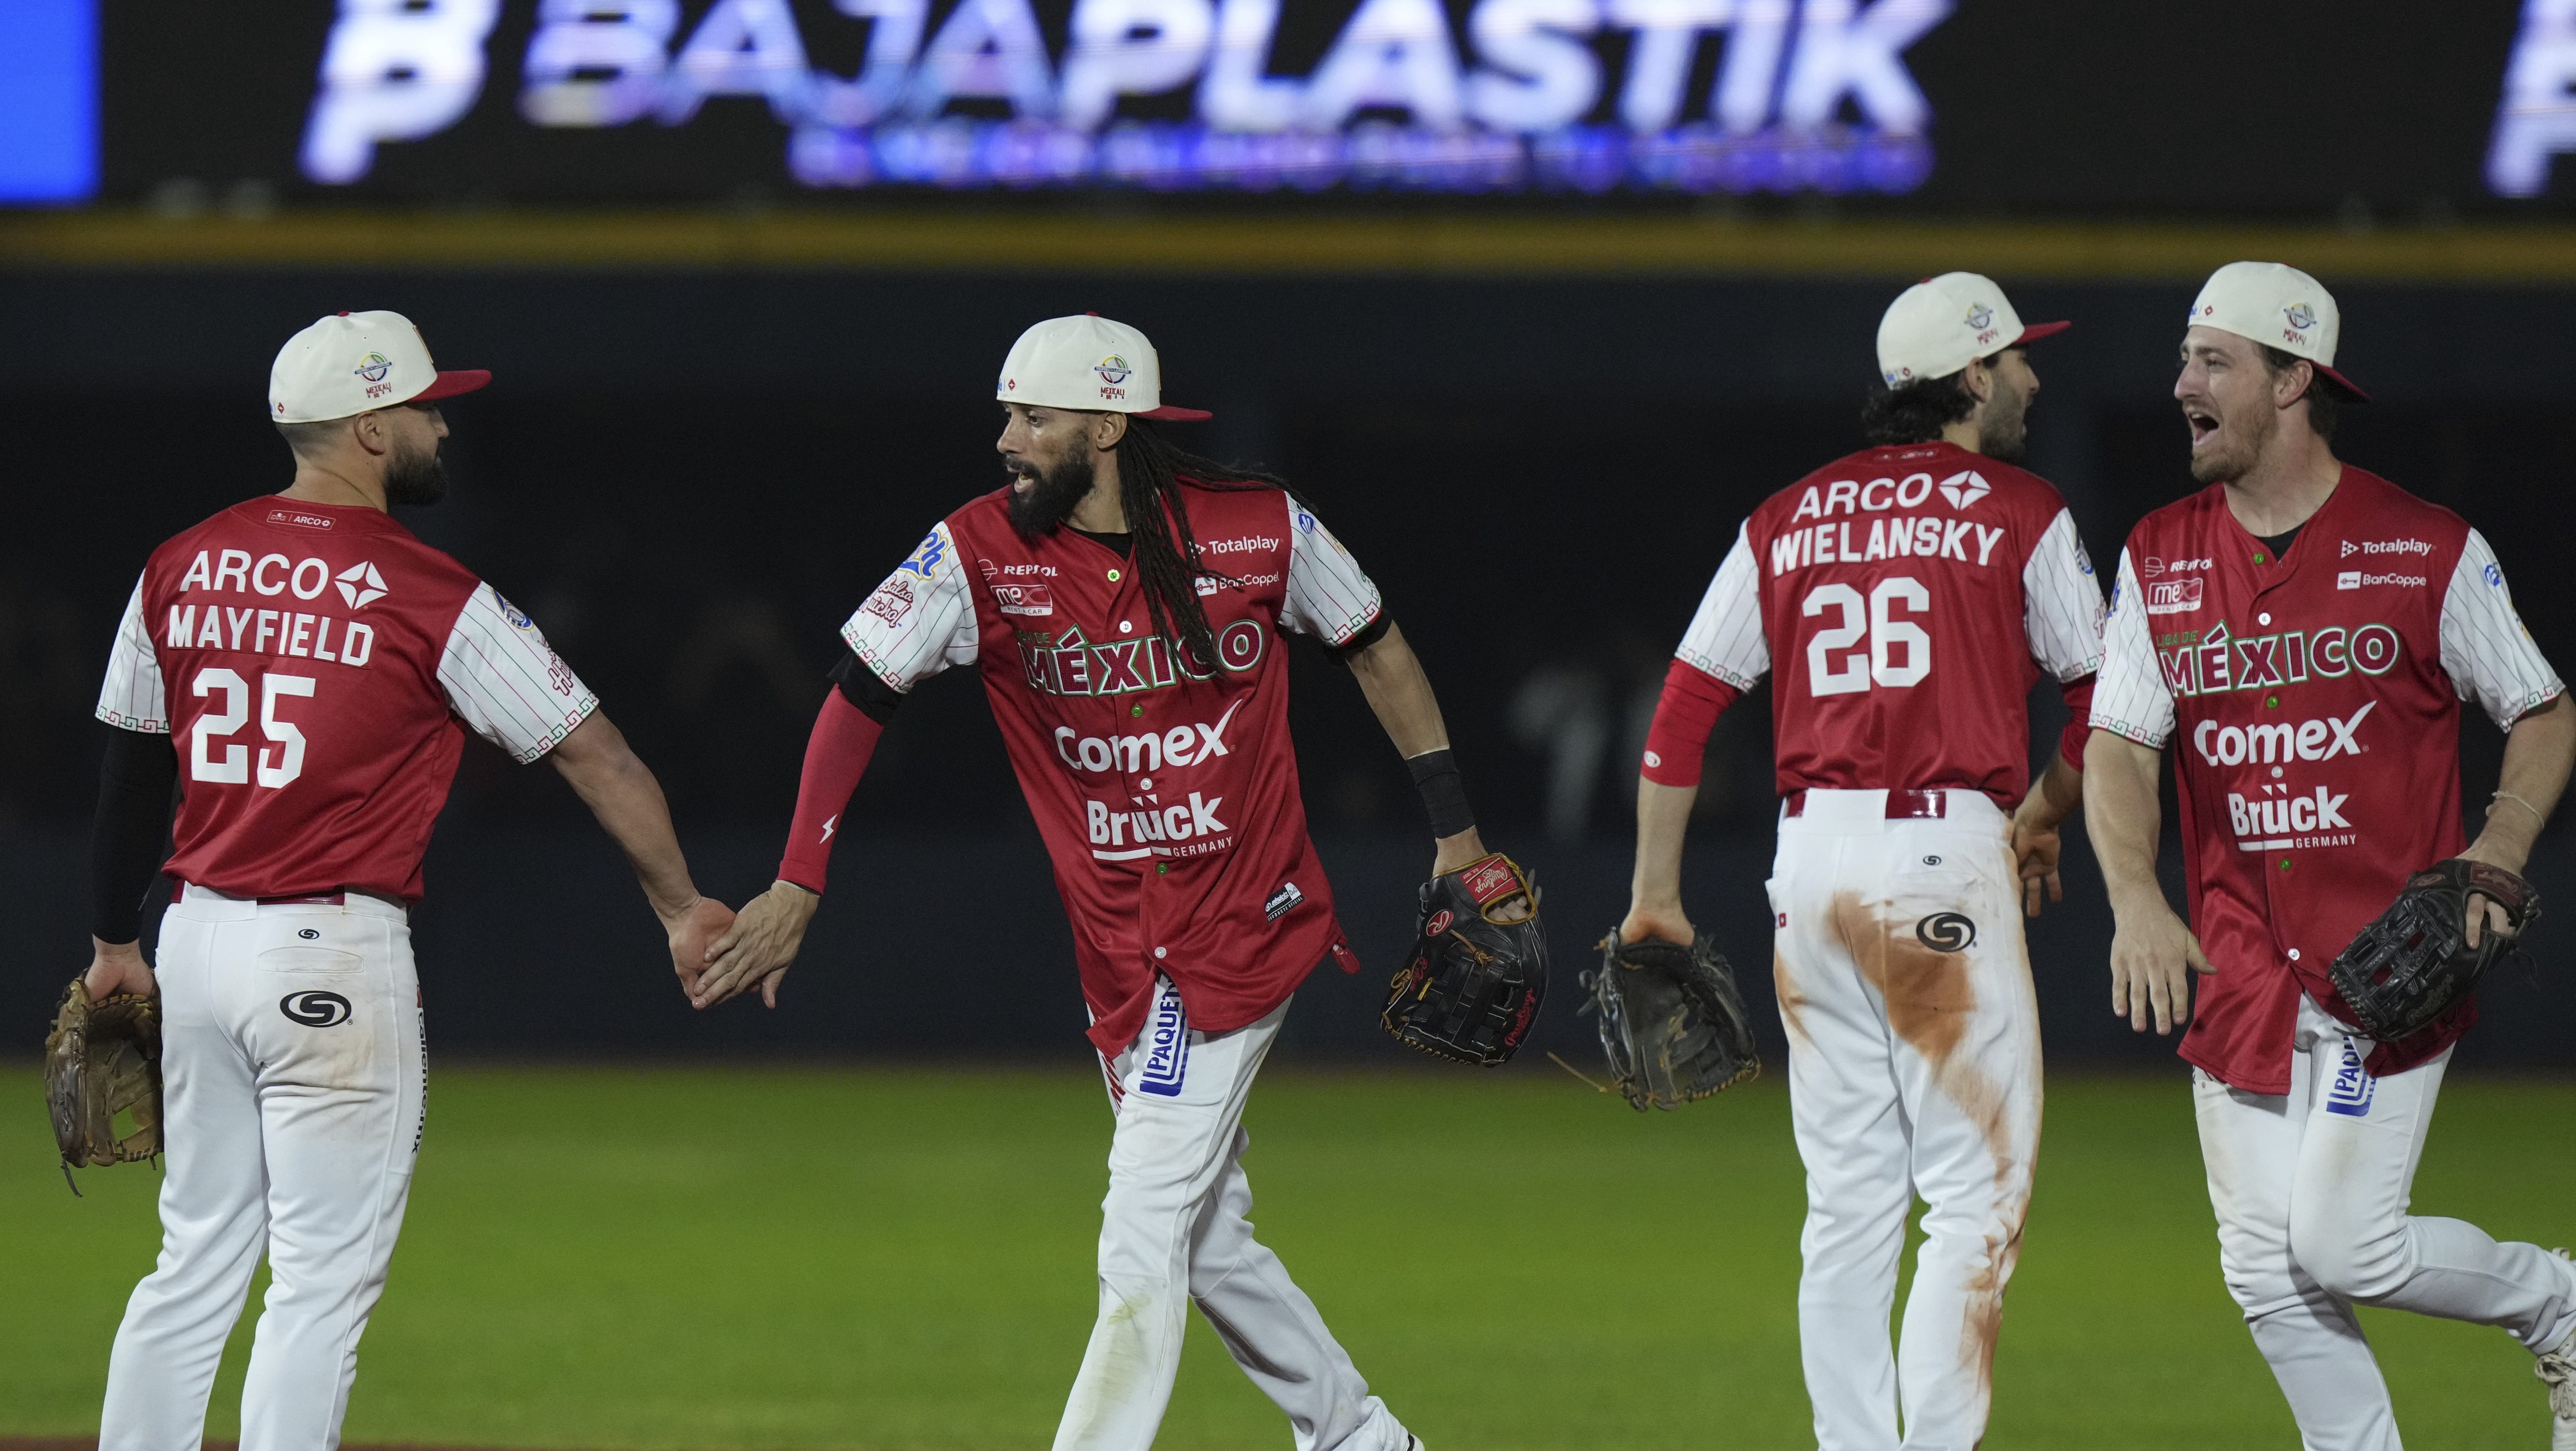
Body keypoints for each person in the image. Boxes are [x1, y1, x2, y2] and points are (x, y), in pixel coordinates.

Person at [693, 313, 1509, 1451]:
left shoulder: (1258, 529)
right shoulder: (977, 552)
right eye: (1008, 413)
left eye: (1033, 415)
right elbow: (856, 692)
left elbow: (1376, 644)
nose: (1005, 437)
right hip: (1122, 944)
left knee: (1139, 1220)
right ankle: (1361, 1434)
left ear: (1109, 424)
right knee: (1206, 1236)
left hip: (1241, 921)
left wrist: (1456, 835)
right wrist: (798, 878)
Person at [84, 311, 732, 1451]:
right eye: (428, 407)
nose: (442, 425)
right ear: (372, 426)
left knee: (190, 1262)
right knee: (319, 1283)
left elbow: (133, 763)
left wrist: (111, 941)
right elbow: (600, 755)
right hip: (330, 952)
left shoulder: (178, 562)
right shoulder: (428, 591)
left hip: (190, 937)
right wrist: (681, 908)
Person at [2085, 261, 2576, 1450]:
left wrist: (2497, 846)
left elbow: (2543, 708)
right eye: (2183, 357)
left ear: (2294, 377)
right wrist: (2134, 896)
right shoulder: (2159, 552)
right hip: (2242, 962)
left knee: (2344, 1241)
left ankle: (2556, 1299)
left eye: (2214, 361)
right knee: (2264, 1269)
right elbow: (2117, 742)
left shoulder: (2423, 547)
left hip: (2384, 955)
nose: (2180, 384)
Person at [1620, 273, 2103, 1449]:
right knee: (1972, 1197)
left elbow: (1680, 713)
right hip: (1942, 853)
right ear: (1974, 375)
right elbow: (2108, 709)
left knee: (1844, 1208)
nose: (2034, 378)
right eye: (2019, 359)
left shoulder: (1784, 516)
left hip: (1812, 861)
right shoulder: (2020, 509)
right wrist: (2038, 811)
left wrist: (1653, 896)